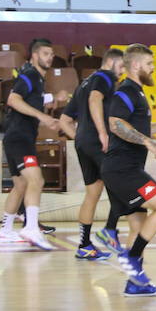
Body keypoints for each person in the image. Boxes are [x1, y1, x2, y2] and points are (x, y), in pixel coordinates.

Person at [102, 43, 156, 296]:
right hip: (123, 169)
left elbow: (136, 129)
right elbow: (116, 124)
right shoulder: (126, 90)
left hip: (125, 168)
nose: (153, 69)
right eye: (149, 64)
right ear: (135, 65)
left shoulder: (138, 93)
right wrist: (146, 141)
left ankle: (134, 283)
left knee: (138, 225)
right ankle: (132, 257)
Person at [58, 48, 126, 261]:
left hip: (84, 144)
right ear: (112, 62)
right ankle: (110, 231)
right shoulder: (104, 78)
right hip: (99, 143)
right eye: (122, 66)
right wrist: (102, 133)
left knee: (93, 193)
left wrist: (79, 139)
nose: (123, 72)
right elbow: (95, 100)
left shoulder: (83, 84)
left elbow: (64, 120)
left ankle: (85, 245)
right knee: (122, 187)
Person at [0, 38, 64, 249]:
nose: (50, 58)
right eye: (45, 54)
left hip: (17, 137)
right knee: (37, 180)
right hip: (19, 137)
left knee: (21, 184)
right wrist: (43, 117)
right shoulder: (30, 75)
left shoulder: (37, 80)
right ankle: (31, 227)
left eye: (51, 54)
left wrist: (52, 99)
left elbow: (32, 99)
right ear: (35, 56)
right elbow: (13, 100)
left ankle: (5, 231)